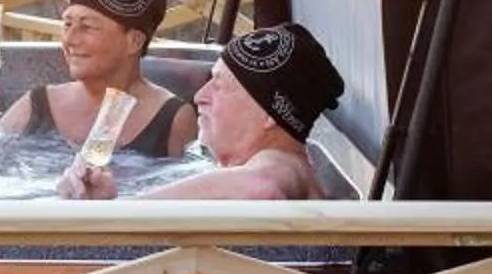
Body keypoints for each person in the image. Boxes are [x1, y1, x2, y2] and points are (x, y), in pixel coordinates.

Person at [60, 21, 345, 202]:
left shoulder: (282, 164)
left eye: (218, 85)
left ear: (270, 113)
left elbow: (261, 188)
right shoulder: (282, 165)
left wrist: (121, 214)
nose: (199, 97)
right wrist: (109, 202)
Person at [0, 0, 196, 163]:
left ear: (133, 41)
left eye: (87, 27)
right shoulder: (39, 104)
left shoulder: (172, 119)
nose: (70, 39)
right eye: (67, 24)